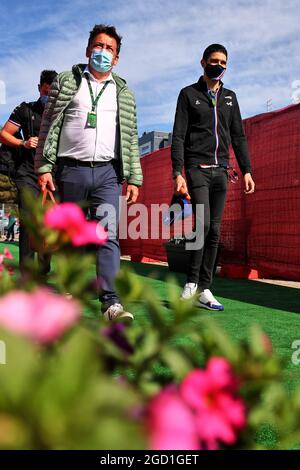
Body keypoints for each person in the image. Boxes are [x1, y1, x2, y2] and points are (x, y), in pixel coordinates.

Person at [35, 24, 143, 321]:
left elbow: (131, 137)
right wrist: (44, 166)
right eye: (98, 46)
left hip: (108, 173)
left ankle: (110, 302)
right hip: (70, 170)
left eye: (109, 49)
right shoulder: (66, 81)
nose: (103, 53)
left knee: (108, 235)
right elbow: (47, 127)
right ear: (87, 49)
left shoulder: (124, 92)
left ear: (117, 58)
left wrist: (134, 176)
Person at [171, 44, 255, 311]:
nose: (218, 66)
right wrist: (177, 172)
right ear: (203, 62)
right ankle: (191, 283)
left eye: (223, 62)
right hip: (197, 169)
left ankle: (205, 288)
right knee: (204, 225)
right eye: (214, 61)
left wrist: (247, 170)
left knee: (215, 230)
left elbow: (239, 136)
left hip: (222, 171)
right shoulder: (188, 95)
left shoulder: (230, 98)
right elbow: (179, 136)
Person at [0, 70, 58, 273]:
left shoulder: (62, 114)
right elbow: (4, 134)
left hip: (54, 174)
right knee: (28, 221)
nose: (48, 96)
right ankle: (26, 275)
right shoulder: (25, 110)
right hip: (27, 173)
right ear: (39, 88)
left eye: (53, 93)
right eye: (45, 91)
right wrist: (23, 142)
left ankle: (43, 271)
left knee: (50, 223)